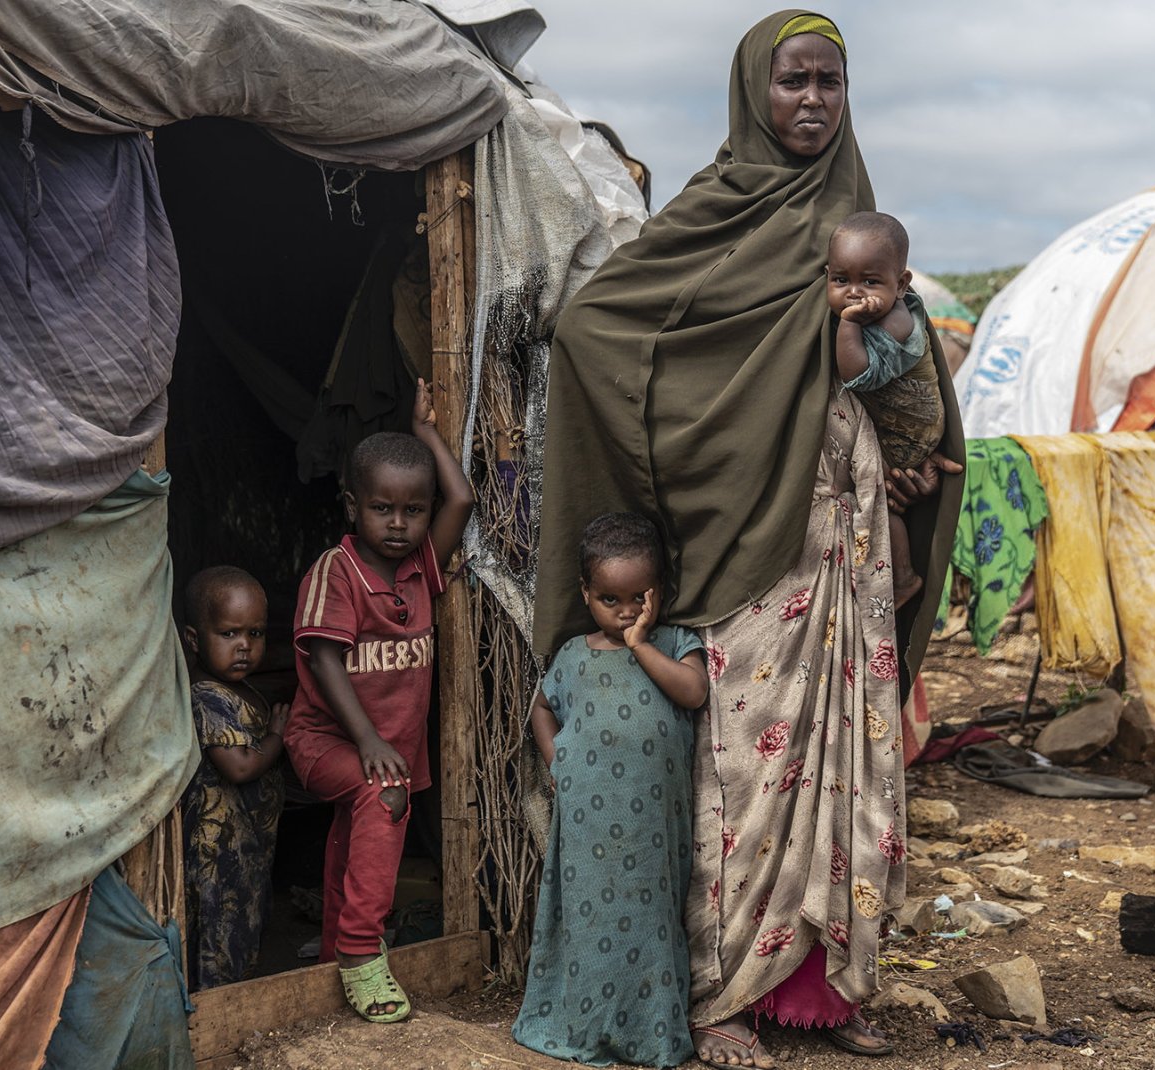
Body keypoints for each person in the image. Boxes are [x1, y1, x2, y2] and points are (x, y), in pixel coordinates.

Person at [532, 11, 964, 1067]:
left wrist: (899, 392)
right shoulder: (712, 213)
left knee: (849, 758)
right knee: (745, 767)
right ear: (752, 94)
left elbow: (911, 372)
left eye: (831, 81)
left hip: (848, 535)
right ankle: (721, 994)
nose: (814, 99)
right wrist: (721, 441)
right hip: (748, 536)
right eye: (793, 81)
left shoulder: (860, 222)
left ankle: (826, 990)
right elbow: (601, 331)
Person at [284, 379, 474, 1023]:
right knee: (380, 798)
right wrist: (367, 741)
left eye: (412, 510)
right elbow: (324, 657)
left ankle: (334, 953)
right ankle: (364, 953)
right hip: (325, 740)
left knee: (352, 834)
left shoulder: (421, 566)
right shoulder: (335, 573)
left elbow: (464, 496)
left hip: (379, 742)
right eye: (382, 509)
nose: (398, 523)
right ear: (351, 507)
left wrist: (425, 435)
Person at [513, 512, 709, 1067]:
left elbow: (693, 693)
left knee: (650, 923)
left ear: (660, 592)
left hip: (652, 829)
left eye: (638, 599)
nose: (625, 612)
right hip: (587, 826)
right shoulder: (574, 655)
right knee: (590, 921)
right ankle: (585, 1026)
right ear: (585, 593)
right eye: (609, 600)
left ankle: (652, 1035)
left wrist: (642, 643)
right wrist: (559, 764)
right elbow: (541, 709)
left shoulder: (674, 642)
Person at [828, 210, 945, 607]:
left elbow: (857, 374)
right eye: (841, 280)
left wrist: (847, 325)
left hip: (906, 431)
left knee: (876, 495)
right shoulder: (887, 307)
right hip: (908, 424)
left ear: (902, 283)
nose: (855, 293)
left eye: (871, 282)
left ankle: (904, 577)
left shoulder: (894, 322)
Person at [179, 565, 287, 990]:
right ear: (194, 640)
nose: (244, 646)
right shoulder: (206, 696)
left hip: (247, 845)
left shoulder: (243, 689)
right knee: (219, 931)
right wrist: (278, 737)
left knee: (245, 920)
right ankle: (215, 1010)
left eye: (255, 634)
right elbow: (239, 766)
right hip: (216, 852)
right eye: (228, 635)